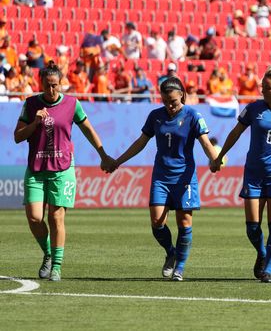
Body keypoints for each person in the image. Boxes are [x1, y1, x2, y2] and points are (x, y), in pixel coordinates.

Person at [108, 77, 217, 281]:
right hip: (161, 176)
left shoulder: (193, 115)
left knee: (184, 222)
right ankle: (171, 252)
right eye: (165, 101)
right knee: (157, 222)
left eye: (173, 102)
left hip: (184, 177)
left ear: (182, 96)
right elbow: (140, 143)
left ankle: (180, 268)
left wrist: (215, 160)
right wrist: (118, 161)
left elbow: (205, 142)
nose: (169, 106)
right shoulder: (155, 116)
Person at [14, 66, 113, 281]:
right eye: (47, 85)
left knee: (56, 217)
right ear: (41, 83)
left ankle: (56, 266)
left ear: (61, 83)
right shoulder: (31, 104)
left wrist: (103, 154)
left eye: (55, 85)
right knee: (34, 217)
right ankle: (48, 253)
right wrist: (35, 122)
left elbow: (88, 129)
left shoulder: (71, 104)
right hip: (37, 169)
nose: (51, 89)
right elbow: (18, 137)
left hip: (63, 168)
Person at [210, 66, 271, 283]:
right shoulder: (253, 109)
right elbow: (235, 133)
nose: (262, 90)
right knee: (252, 225)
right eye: (262, 86)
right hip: (254, 172)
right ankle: (262, 253)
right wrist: (219, 155)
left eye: (267, 87)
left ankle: (268, 270)